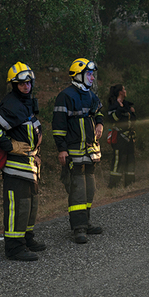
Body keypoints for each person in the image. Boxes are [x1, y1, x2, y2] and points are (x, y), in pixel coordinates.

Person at [0, 62, 46, 261]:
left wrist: (35, 152)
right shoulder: (11, 104)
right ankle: (14, 247)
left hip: (29, 165)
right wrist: (11, 146)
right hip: (15, 168)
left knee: (30, 205)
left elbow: (28, 131)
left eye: (29, 82)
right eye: (21, 84)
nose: (26, 86)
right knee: (18, 207)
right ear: (14, 85)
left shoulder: (26, 102)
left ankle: (26, 239)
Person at [53, 58, 105, 244]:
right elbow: (58, 126)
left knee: (90, 188)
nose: (92, 77)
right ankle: (79, 228)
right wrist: (62, 149)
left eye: (92, 74)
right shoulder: (65, 96)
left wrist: (99, 123)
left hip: (90, 151)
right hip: (74, 151)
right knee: (78, 190)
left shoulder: (90, 94)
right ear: (78, 75)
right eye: (89, 74)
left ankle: (87, 222)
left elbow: (98, 111)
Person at [106, 84, 137, 188]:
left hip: (129, 137)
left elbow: (133, 120)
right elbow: (113, 119)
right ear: (120, 92)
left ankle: (130, 183)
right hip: (119, 137)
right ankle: (113, 185)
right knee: (118, 160)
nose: (125, 91)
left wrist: (132, 113)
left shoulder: (127, 105)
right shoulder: (113, 105)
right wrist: (119, 109)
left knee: (130, 159)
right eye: (124, 89)